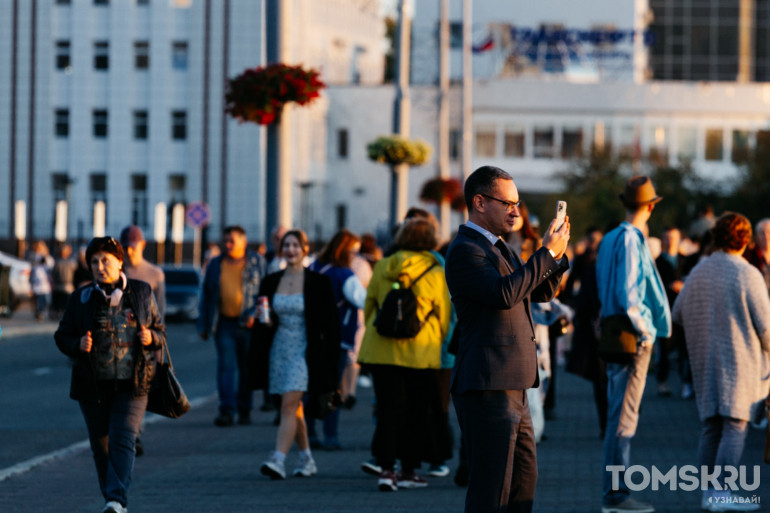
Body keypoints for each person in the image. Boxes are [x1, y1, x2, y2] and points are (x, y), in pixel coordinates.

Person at [444, 165, 570, 513]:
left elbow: (540, 291)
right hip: (488, 384)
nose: (516, 211)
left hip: (513, 382)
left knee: (521, 483)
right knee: (491, 489)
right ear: (480, 202)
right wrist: (544, 254)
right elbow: (503, 294)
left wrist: (555, 255)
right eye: (508, 203)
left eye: (518, 202)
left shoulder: (502, 247)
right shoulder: (466, 250)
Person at [54, 236, 165, 513]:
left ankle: (116, 499)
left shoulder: (141, 292)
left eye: (106, 260)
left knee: (123, 436)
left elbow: (161, 332)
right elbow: (62, 336)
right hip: (93, 386)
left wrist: (150, 337)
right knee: (101, 445)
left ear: (119, 262)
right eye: (94, 261)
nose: (100, 266)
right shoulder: (80, 298)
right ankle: (113, 500)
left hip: (134, 383)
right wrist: (77, 344)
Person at [672, 212, 770, 511]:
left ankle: (709, 494)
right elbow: (766, 328)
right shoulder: (747, 273)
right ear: (745, 240)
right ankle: (722, 493)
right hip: (740, 362)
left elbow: (677, 312)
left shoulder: (700, 270)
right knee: (735, 425)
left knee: (711, 427)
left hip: (703, 359)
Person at [358, 217, 452, 491]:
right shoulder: (435, 271)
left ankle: (386, 470)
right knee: (416, 412)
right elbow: (445, 315)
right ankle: (409, 471)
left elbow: (369, 305)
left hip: (381, 350)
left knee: (388, 411)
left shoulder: (385, 265)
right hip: (420, 353)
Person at [595, 176, 672, 513]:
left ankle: (616, 493)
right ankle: (616, 495)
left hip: (615, 333)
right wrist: (645, 330)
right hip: (631, 336)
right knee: (623, 419)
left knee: (618, 415)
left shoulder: (611, 237)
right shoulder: (630, 238)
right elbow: (629, 294)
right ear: (651, 206)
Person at [249, 229, 340, 480]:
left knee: (288, 405)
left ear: (305, 249)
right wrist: (263, 320)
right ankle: (307, 459)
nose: (290, 250)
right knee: (293, 406)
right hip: (279, 348)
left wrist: (332, 361)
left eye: (295, 245)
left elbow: (331, 325)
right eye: (286, 245)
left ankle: (277, 459)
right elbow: (264, 318)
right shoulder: (271, 280)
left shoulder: (318, 282)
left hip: (306, 350)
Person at [198, 225, 266, 427]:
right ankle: (227, 410)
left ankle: (244, 409)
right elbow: (207, 294)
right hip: (224, 322)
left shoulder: (256, 262)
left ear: (243, 242)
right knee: (226, 367)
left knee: (246, 368)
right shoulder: (216, 264)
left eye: (232, 241)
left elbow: (266, 292)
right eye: (225, 241)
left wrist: (257, 315)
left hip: (248, 323)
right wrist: (203, 324)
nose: (228, 245)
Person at [306, 229, 366, 450]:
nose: (355, 257)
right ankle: (331, 435)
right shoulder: (344, 275)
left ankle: (310, 433)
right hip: (338, 338)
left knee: (311, 387)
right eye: (354, 252)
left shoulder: (313, 267)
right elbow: (363, 301)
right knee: (333, 389)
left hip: (312, 337)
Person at [654, 227, 692, 399]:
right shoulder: (657, 262)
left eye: (674, 238)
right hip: (665, 309)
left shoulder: (686, 261)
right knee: (664, 347)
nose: (670, 241)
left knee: (685, 346)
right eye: (667, 238)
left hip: (684, 309)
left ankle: (686, 382)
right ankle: (662, 381)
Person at [120, 226, 166, 319]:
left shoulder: (155, 274)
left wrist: (154, 332)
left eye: (133, 247)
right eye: (125, 248)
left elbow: (160, 311)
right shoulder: (115, 272)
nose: (129, 252)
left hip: (145, 331)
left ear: (143, 245)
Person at [744, 218, 770, 295]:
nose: (766, 236)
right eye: (762, 233)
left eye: (769, 232)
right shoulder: (749, 256)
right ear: (756, 236)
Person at [51, 244, 78, 318]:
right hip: (68, 286)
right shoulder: (72, 263)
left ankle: (57, 314)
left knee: (58, 303)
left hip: (58, 286)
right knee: (67, 303)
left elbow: (53, 273)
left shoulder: (57, 262)